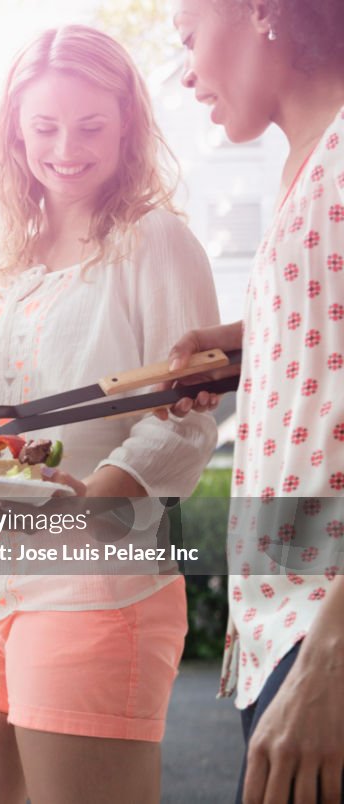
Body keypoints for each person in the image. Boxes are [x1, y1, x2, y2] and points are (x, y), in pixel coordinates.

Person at [0, 27, 220, 803]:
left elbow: (186, 419)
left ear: (128, 124)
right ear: (14, 131)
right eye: (44, 127)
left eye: (92, 126)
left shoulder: (155, 242)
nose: (67, 149)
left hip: (94, 579)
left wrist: (93, 499)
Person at [167, 2, 344, 801]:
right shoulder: (307, 161)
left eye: (189, 36)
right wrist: (248, 348)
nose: (187, 70)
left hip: (323, 630)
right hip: (281, 627)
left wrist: (331, 659)